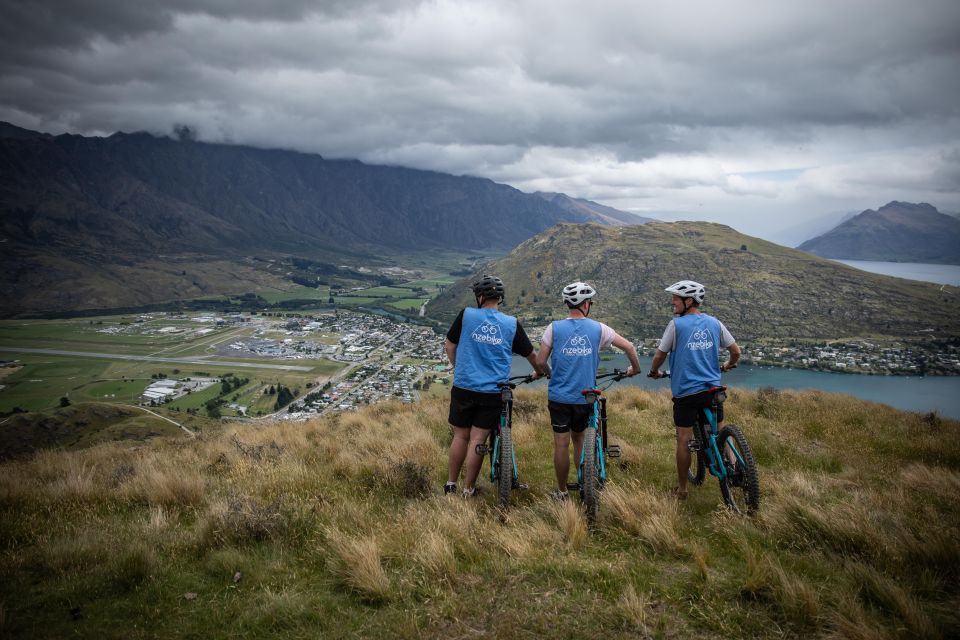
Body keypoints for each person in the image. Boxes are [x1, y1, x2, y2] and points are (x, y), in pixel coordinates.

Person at [444, 275, 547, 497]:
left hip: (464, 387)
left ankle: (451, 484)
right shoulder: (511, 324)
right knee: (478, 440)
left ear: (480, 297)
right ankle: (468, 489)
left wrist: (457, 367)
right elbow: (531, 355)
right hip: (492, 392)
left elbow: (450, 345)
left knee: (460, 436)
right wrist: (540, 372)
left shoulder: (467, 315)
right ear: (499, 299)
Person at [535, 282, 641, 501]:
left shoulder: (553, 328)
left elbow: (540, 361)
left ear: (567, 304)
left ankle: (562, 491)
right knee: (580, 439)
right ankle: (586, 482)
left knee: (561, 444)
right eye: (590, 302)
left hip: (559, 397)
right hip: (586, 396)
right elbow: (630, 347)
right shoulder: (599, 328)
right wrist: (635, 369)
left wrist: (550, 373)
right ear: (585, 304)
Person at [647, 280, 740, 500]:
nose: (673, 302)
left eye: (676, 299)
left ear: (689, 301)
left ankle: (682, 490)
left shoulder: (676, 325)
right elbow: (735, 352)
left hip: (687, 393)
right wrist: (726, 366)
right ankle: (735, 467)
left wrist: (653, 371)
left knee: (683, 439)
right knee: (720, 430)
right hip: (713, 390)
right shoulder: (715, 323)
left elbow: (660, 355)